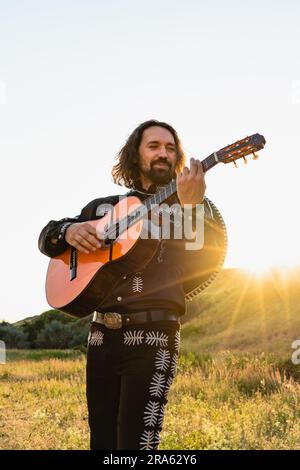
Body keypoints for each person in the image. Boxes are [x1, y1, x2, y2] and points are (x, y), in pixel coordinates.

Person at [38, 120, 226, 450]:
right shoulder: (102, 208)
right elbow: (47, 239)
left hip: (154, 337)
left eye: (170, 148)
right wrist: (67, 231)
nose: (163, 154)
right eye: (153, 146)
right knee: (103, 444)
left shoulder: (190, 205)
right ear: (135, 155)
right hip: (101, 339)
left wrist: (193, 206)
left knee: (137, 447)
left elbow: (207, 263)